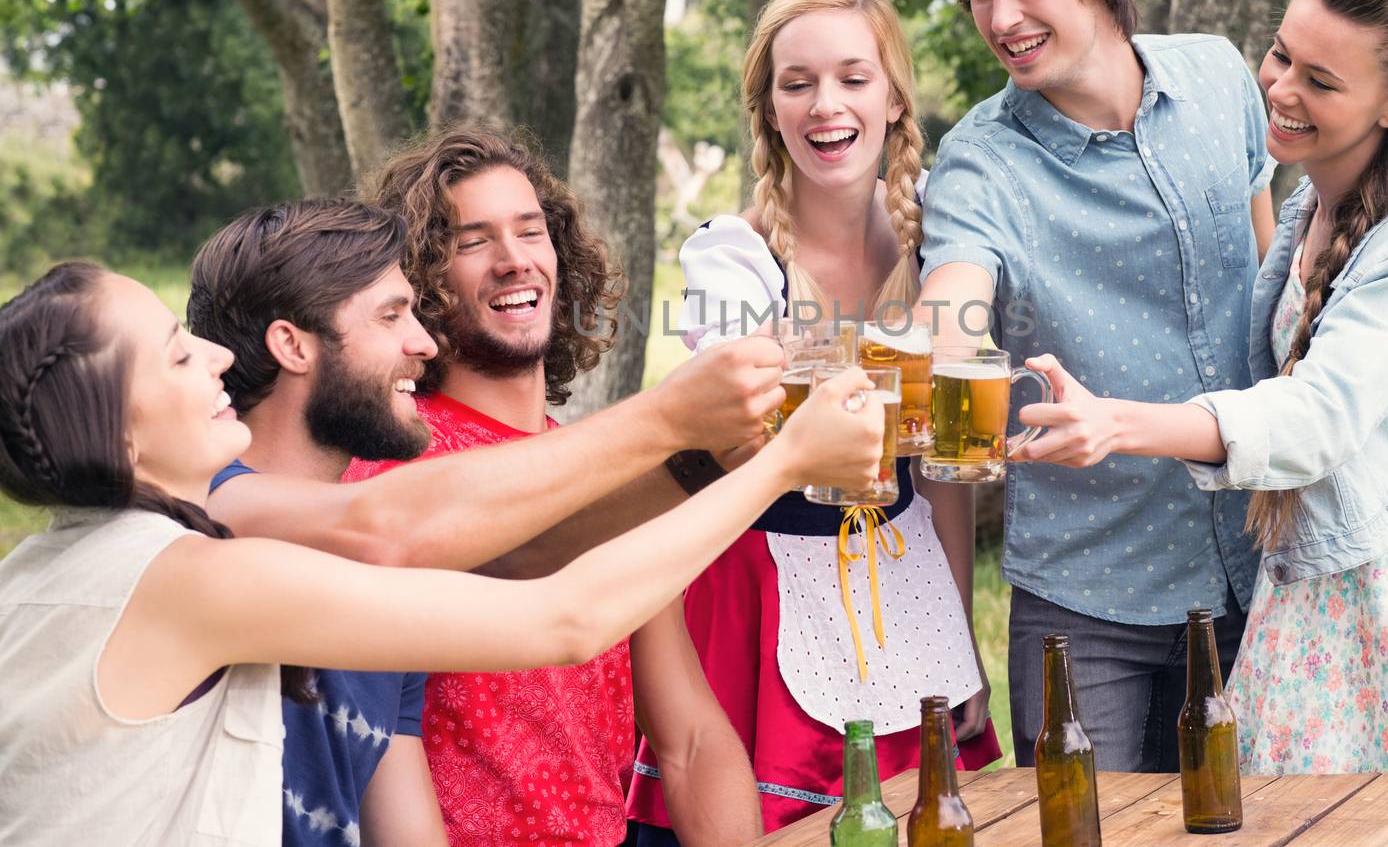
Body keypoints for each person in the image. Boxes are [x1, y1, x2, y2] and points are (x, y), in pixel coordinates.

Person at [0, 261, 884, 845]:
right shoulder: (191, 579)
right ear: (115, 432)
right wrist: (782, 465)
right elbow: (563, 615)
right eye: (175, 354)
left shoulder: (42, 573)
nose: (217, 357)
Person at [1015, 0, 1388, 843]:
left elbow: (1317, 417)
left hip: (1387, 590)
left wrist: (1119, 424)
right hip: (1308, 585)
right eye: (1279, 55)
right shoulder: (1313, 202)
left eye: (1320, 79)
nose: (1280, 89)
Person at [187, 197, 787, 846]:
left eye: (532, 231)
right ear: (292, 345)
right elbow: (558, 609)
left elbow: (542, 584)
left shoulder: (387, 588)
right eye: (392, 315)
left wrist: (719, 456)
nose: (422, 340)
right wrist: (731, 443)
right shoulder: (208, 521)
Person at [916, 0, 1277, 771]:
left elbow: (1273, 290)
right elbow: (952, 302)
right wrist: (935, 342)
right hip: (1086, 601)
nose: (1000, 18)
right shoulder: (979, 164)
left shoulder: (1220, 79)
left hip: (1260, 570)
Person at [628, 0, 1002, 843]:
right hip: (761, 582)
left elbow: (946, 471)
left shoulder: (940, 241)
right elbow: (739, 421)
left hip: (903, 576)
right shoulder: (735, 258)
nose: (825, 105)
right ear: (768, 107)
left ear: (895, 96)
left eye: (852, 77)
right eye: (797, 83)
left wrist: (963, 645)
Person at [347, 125, 782, 847]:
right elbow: (516, 557)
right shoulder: (401, 460)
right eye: (474, 240)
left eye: (531, 231)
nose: (516, 260)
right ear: (421, 276)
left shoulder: (605, 469)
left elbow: (691, 738)